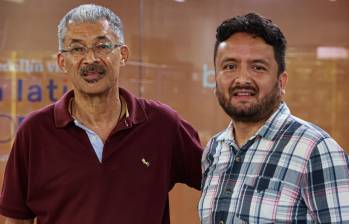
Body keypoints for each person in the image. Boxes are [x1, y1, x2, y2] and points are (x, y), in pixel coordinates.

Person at [0, 4, 202, 224]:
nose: (90, 59)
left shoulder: (162, 124)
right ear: (62, 61)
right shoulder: (34, 131)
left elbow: (218, 180)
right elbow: (17, 220)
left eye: (102, 46)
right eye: (77, 49)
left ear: (123, 55)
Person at [198, 13, 349, 223]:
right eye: (230, 66)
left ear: (281, 82)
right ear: (216, 78)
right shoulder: (214, 150)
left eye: (258, 67)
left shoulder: (316, 151)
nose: (242, 79)